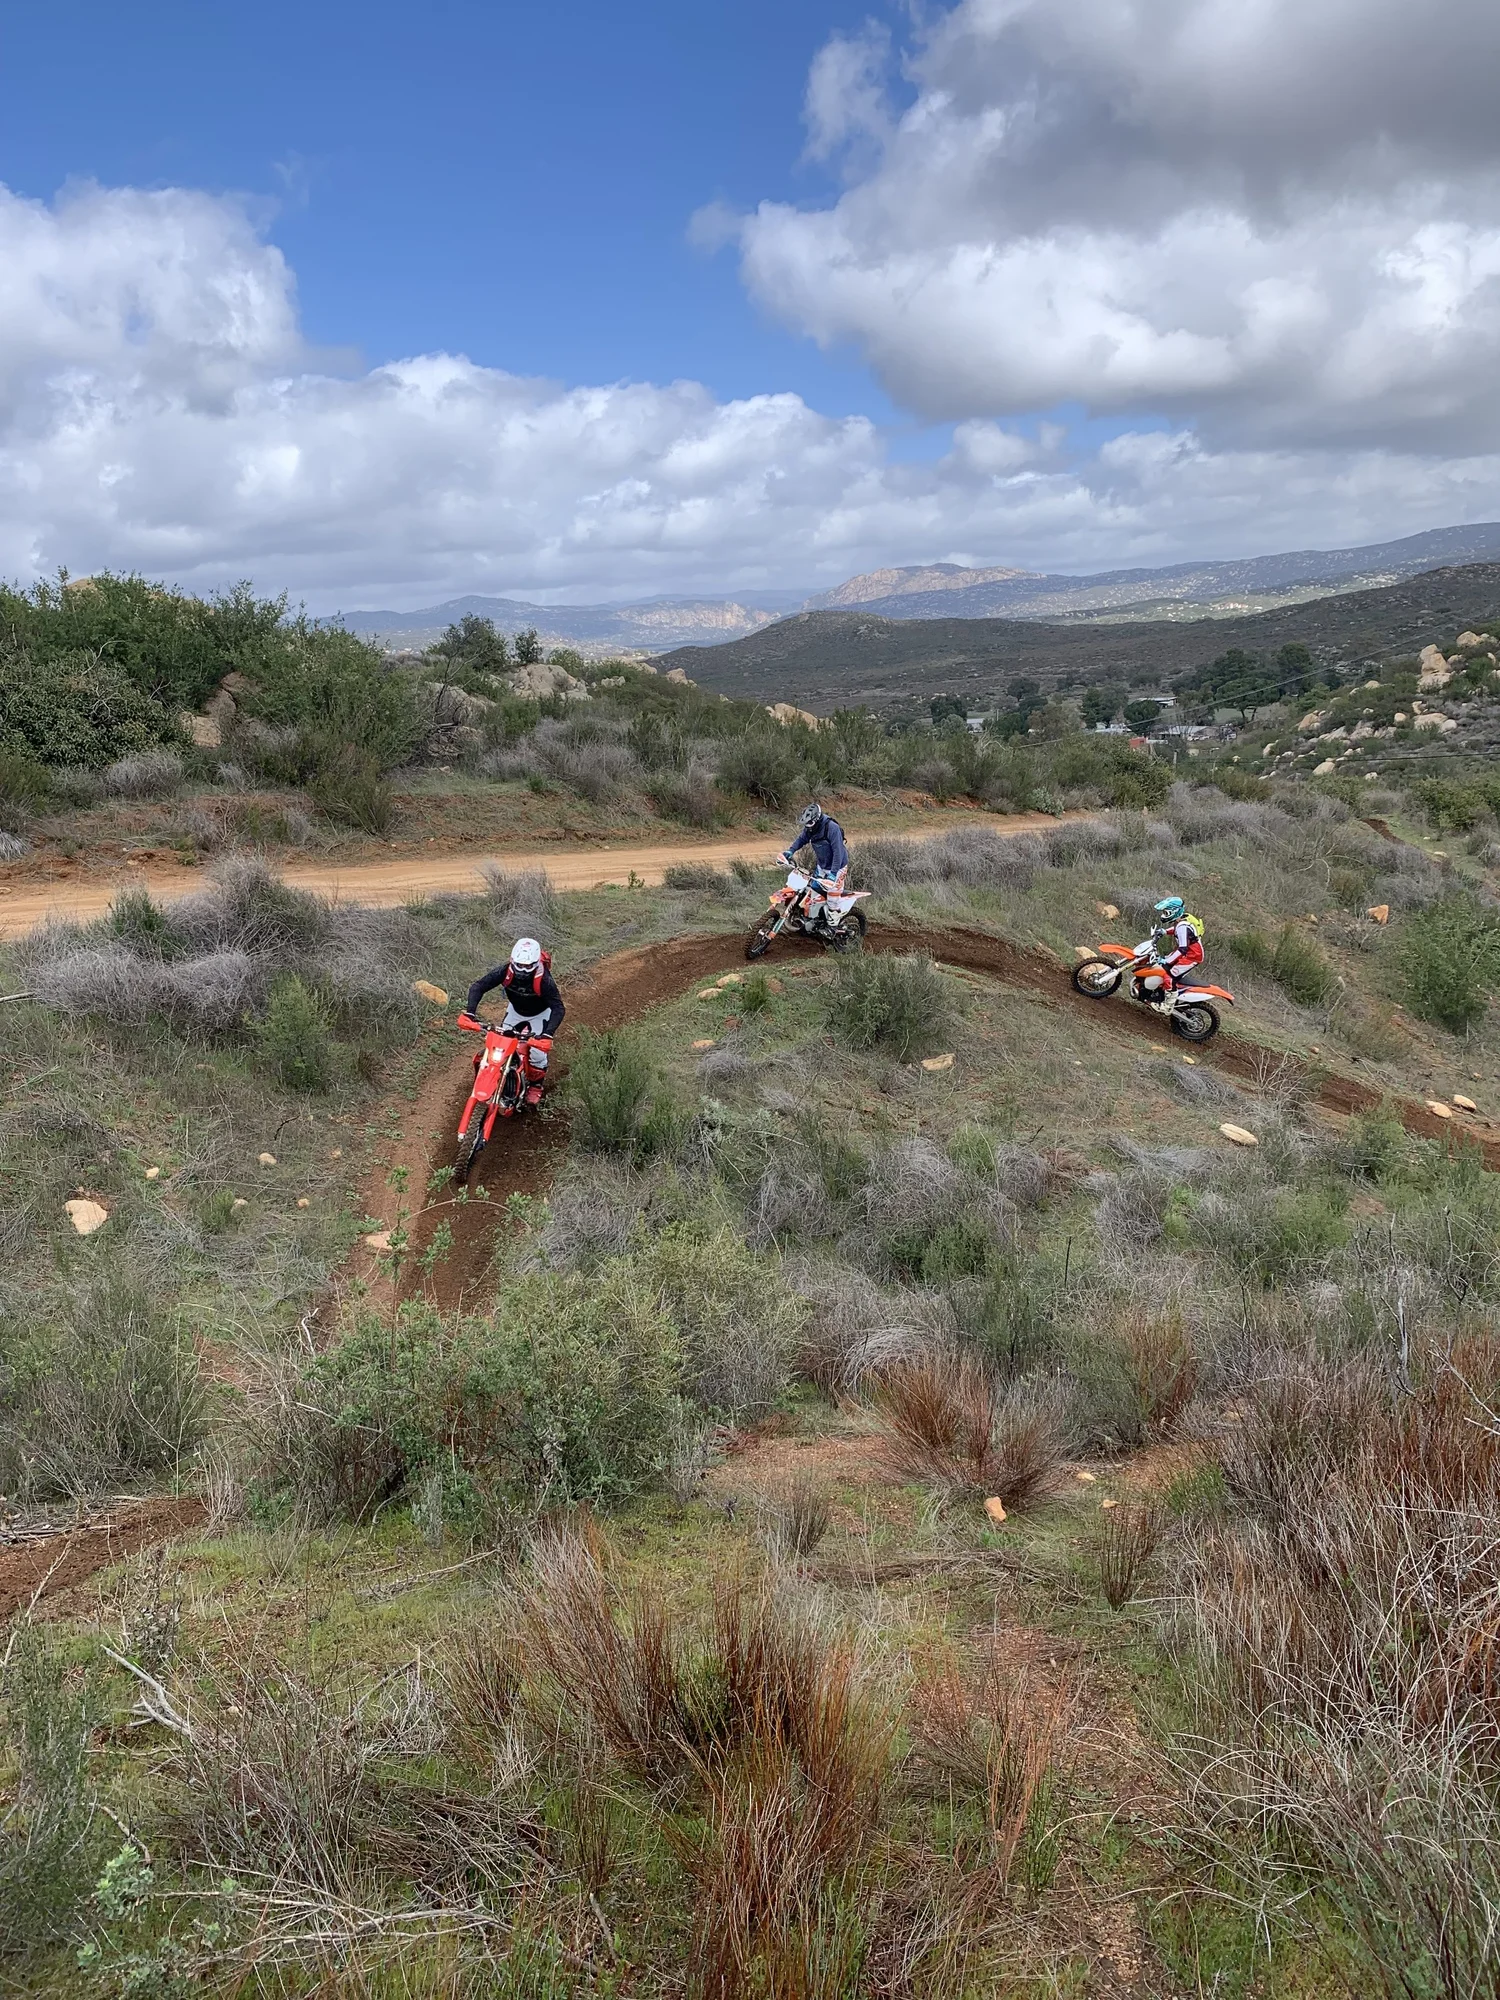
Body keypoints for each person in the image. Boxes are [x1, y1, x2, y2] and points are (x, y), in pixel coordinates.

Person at [460, 937, 565, 1107]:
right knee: (499, 1047)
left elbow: (558, 1007)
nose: (523, 970)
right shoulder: (505, 971)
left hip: (539, 1014)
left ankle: (536, 1086)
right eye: (520, 965)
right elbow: (478, 986)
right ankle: (496, 1079)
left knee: (538, 1054)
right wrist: (470, 1013)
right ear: (512, 961)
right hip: (515, 1011)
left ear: (536, 963)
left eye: (528, 966)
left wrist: (547, 1034)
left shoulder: (543, 979)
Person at [780, 801, 850, 932]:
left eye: (810, 823)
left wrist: (833, 874)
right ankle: (816, 919)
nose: (808, 827)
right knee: (813, 891)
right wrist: (790, 851)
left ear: (817, 819)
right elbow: (801, 839)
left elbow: (838, 852)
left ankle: (832, 925)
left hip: (838, 867)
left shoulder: (831, 828)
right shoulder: (810, 828)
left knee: (832, 896)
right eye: (806, 824)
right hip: (822, 865)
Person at [1137, 896, 1205, 1012]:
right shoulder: (1182, 921)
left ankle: (1167, 1006)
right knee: (1162, 968)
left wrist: (1167, 960)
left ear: (1174, 912)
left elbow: (1183, 948)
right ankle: (1157, 994)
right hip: (1186, 953)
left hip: (1191, 957)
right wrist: (1164, 931)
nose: (1164, 915)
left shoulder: (1183, 926)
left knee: (1169, 977)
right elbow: (1177, 930)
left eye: (1166, 912)